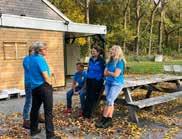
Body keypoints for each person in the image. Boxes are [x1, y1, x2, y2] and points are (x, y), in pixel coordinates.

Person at [29, 41, 59, 139]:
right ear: (41, 50)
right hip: (44, 87)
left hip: (35, 87)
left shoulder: (32, 58)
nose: (47, 50)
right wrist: (50, 84)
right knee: (48, 112)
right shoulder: (40, 59)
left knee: (34, 109)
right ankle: (50, 136)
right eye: (45, 49)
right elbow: (45, 76)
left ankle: (33, 130)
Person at [95, 45, 126, 128]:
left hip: (117, 84)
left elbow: (116, 74)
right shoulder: (110, 61)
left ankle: (103, 119)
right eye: (110, 49)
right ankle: (109, 120)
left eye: (112, 50)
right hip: (108, 83)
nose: (110, 51)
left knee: (109, 100)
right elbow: (104, 73)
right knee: (110, 101)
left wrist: (109, 73)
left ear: (116, 51)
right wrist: (109, 73)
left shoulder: (120, 62)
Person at [83, 46, 105, 119]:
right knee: (88, 96)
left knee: (93, 97)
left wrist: (99, 79)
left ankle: (90, 114)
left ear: (98, 52)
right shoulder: (90, 59)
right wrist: (87, 76)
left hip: (97, 81)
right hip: (89, 80)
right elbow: (89, 69)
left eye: (94, 51)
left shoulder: (101, 60)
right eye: (92, 51)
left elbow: (104, 72)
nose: (92, 52)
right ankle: (85, 113)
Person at [22, 46, 34, 129]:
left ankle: (37, 116)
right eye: (35, 51)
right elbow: (31, 69)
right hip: (29, 83)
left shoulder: (35, 59)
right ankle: (26, 120)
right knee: (29, 101)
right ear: (31, 51)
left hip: (36, 83)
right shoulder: (26, 59)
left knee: (37, 100)